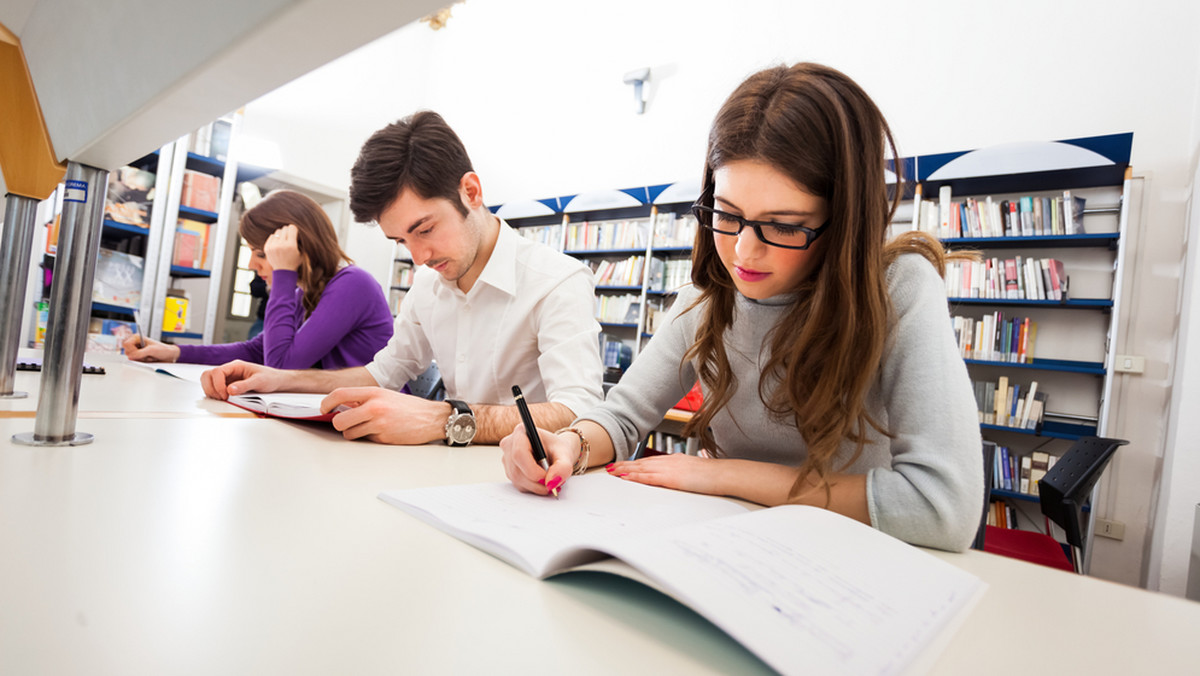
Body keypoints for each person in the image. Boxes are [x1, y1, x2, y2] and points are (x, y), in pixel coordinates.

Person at [499, 63, 984, 552]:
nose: (744, 255)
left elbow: (944, 509)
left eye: (784, 226)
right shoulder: (705, 301)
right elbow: (623, 417)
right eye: (727, 215)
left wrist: (726, 475)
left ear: (843, 221)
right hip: (734, 548)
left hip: (856, 561)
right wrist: (571, 444)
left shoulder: (899, 288)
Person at [200, 111, 605, 446]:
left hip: (536, 486)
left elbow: (578, 411)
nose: (419, 257)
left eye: (425, 229)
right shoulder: (429, 285)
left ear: (471, 191)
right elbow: (383, 373)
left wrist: (446, 419)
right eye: (400, 240)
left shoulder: (557, 281)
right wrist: (282, 380)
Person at [123, 189, 394, 370]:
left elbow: (280, 367)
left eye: (262, 254)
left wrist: (284, 274)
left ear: (299, 246)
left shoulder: (353, 284)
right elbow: (256, 350)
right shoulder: (307, 293)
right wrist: (175, 353)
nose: (253, 265)